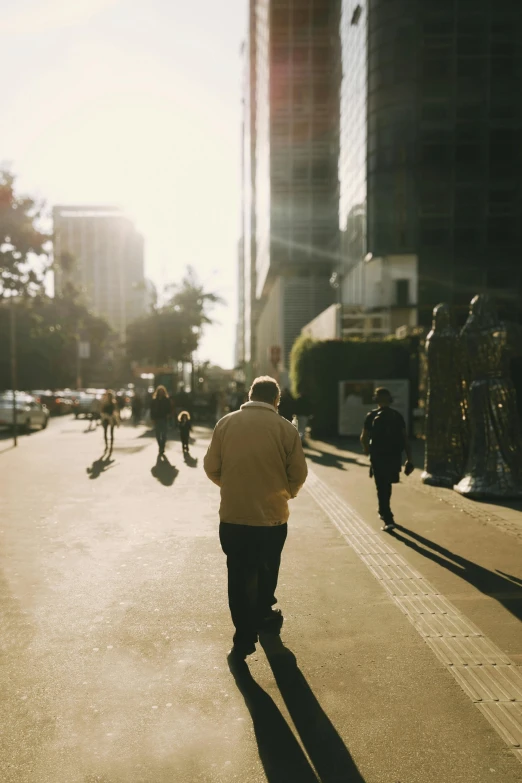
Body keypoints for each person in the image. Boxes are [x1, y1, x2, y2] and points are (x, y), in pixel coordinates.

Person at [204, 375, 308, 660]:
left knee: (237, 575)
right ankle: (264, 613)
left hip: (233, 516)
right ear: (276, 400)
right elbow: (298, 473)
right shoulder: (286, 429)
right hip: (272, 518)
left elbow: (211, 467)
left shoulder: (225, 423)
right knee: (267, 568)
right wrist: (285, 494)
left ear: (250, 395)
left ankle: (243, 637)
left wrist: (232, 487)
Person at [360, 387, 414, 532]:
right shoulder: (397, 416)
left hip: (378, 456)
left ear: (376, 400)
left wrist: (368, 452)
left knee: (381, 485)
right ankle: (385, 511)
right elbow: (405, 439)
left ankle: (386, 515)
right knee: (387, 484)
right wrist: (410, 459)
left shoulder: (371, 416)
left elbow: (363, 438)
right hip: (394, 456)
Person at [150, 385, 171, 456]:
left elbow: (169, 408)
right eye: (160, 392)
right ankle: (160, 446)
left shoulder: (166, 400)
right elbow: (152, 410)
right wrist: (152, 418)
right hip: (157, 419)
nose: (161, 393)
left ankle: (162, 446)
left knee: (164, 434)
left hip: (164, 418)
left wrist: (168, 415)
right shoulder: (154, 400)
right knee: (158, 434)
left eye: (162, 392)